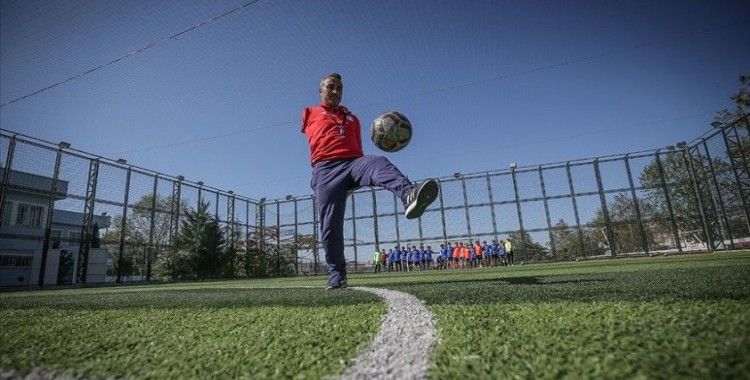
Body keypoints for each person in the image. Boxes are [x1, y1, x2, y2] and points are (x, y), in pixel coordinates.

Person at [302, 73, 439, 289]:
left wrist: (354, 180)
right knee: (330, 226)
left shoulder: (353, 119)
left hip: (353, 164)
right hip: (325, 170)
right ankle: (337, 274)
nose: (336, 91)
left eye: (339, 87)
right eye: (331, 87)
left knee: (377, 162)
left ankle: (409, 194)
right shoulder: (310, 113)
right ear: (321, 91)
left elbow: (358, 149)